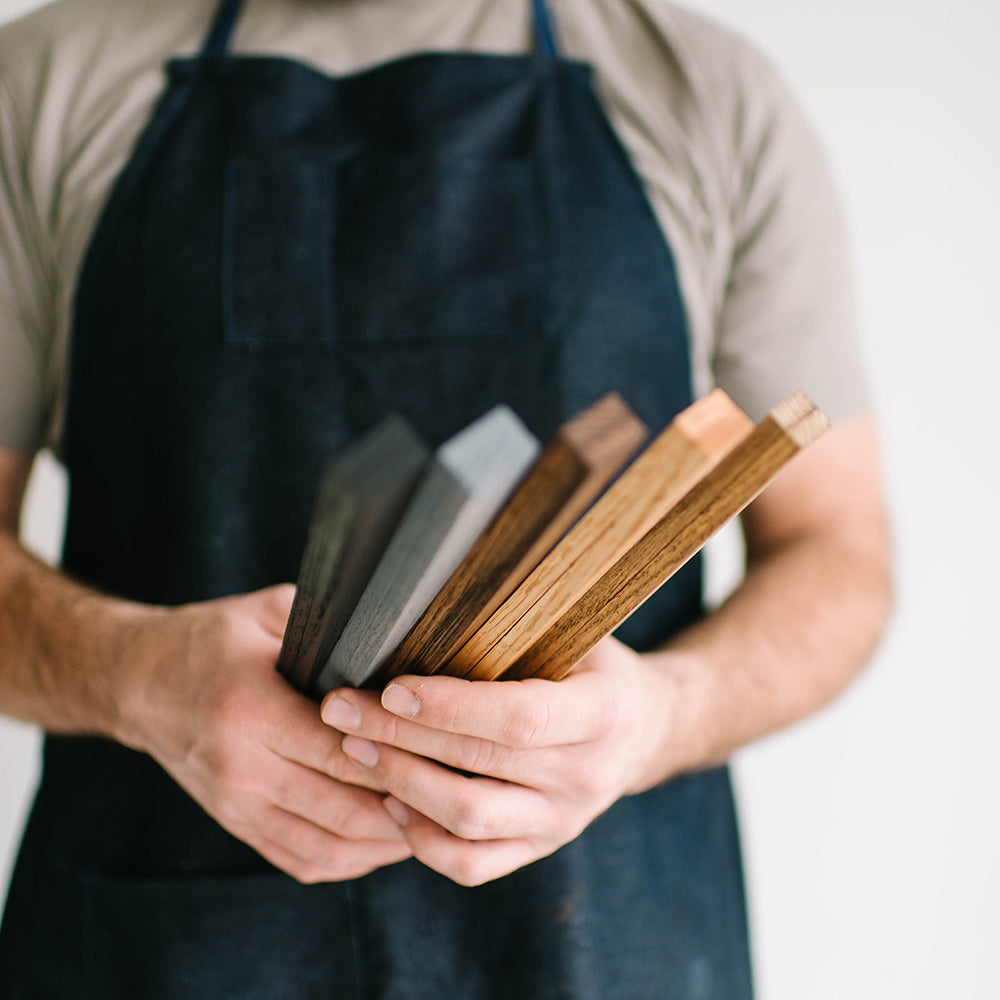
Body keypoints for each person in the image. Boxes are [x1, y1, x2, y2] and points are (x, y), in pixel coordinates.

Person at [0, 0, 891, 996]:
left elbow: (834, 551)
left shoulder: (709, 96)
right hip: (164, 946)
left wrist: (662, 717)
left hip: (603, 941)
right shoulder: (43, 84)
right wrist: (134, 676)